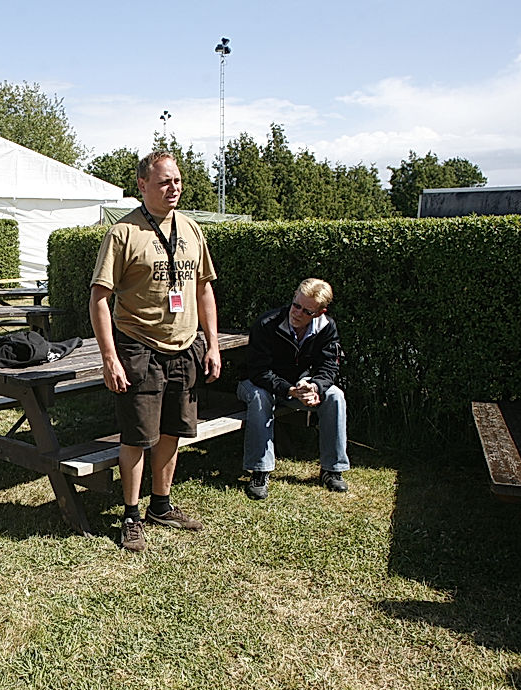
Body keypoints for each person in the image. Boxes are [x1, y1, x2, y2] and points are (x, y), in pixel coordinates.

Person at [88, 150, 221, 552]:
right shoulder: (123, 234)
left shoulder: (192, 229)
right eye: (165, 182)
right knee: (137, 436)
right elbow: (98, 298)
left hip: (184, 347)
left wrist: (212, 344)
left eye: (177, 181)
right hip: (139, 347)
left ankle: (160, 506)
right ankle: (131, 514)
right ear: (142, 185)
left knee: (173, 432)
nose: (174, 188)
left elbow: (203, 289)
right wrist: (110, 357)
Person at [237, 277, 349, 500]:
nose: (297, 313)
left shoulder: (327, 327)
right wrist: (289, 389)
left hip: (298, 385)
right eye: (296, 305)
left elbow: (329, 366)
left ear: (319, 312)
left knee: (336, 396)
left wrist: (315, 386)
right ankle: (259, 471)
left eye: (306, 311)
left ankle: (332, 469)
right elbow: (258, 372)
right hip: (256, 384)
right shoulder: (267, 323)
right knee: (260, 397)